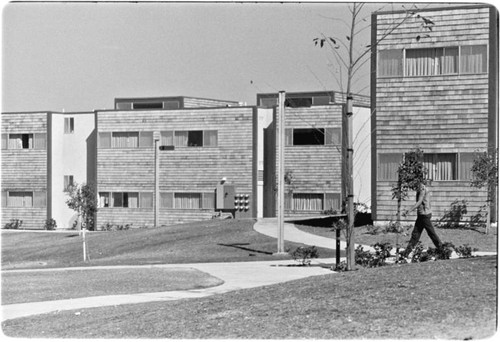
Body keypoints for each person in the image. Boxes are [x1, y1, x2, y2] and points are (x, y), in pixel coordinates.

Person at [400, 179, 443, 258]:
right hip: (422, 215)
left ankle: (443, 250)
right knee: (415, 235)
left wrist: (409, 210)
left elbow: (420, 201)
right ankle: (406, 253)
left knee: (431, 233)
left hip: (424, 215)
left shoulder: (422, 189)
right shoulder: (421, 188)